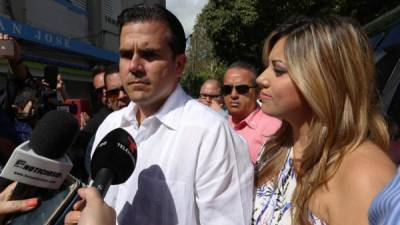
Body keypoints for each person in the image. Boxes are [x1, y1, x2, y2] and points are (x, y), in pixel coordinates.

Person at [65, 4, 253, 225]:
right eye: (126, 54)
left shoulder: (212, 136)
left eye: (149, 54)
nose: (134, 66)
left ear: (179, 65)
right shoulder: (111, 125)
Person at [253, 15, 396, 225]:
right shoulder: (275, 148)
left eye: (279, 70)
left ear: (324, 80)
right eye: (267, 67)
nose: (261, 79)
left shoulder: (363, 175)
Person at [223, 61, 281, 163]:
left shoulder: (272, 128)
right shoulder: (221, 124)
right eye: (227, 89)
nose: (233, 95)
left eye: (242, 89)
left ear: (258, 92)